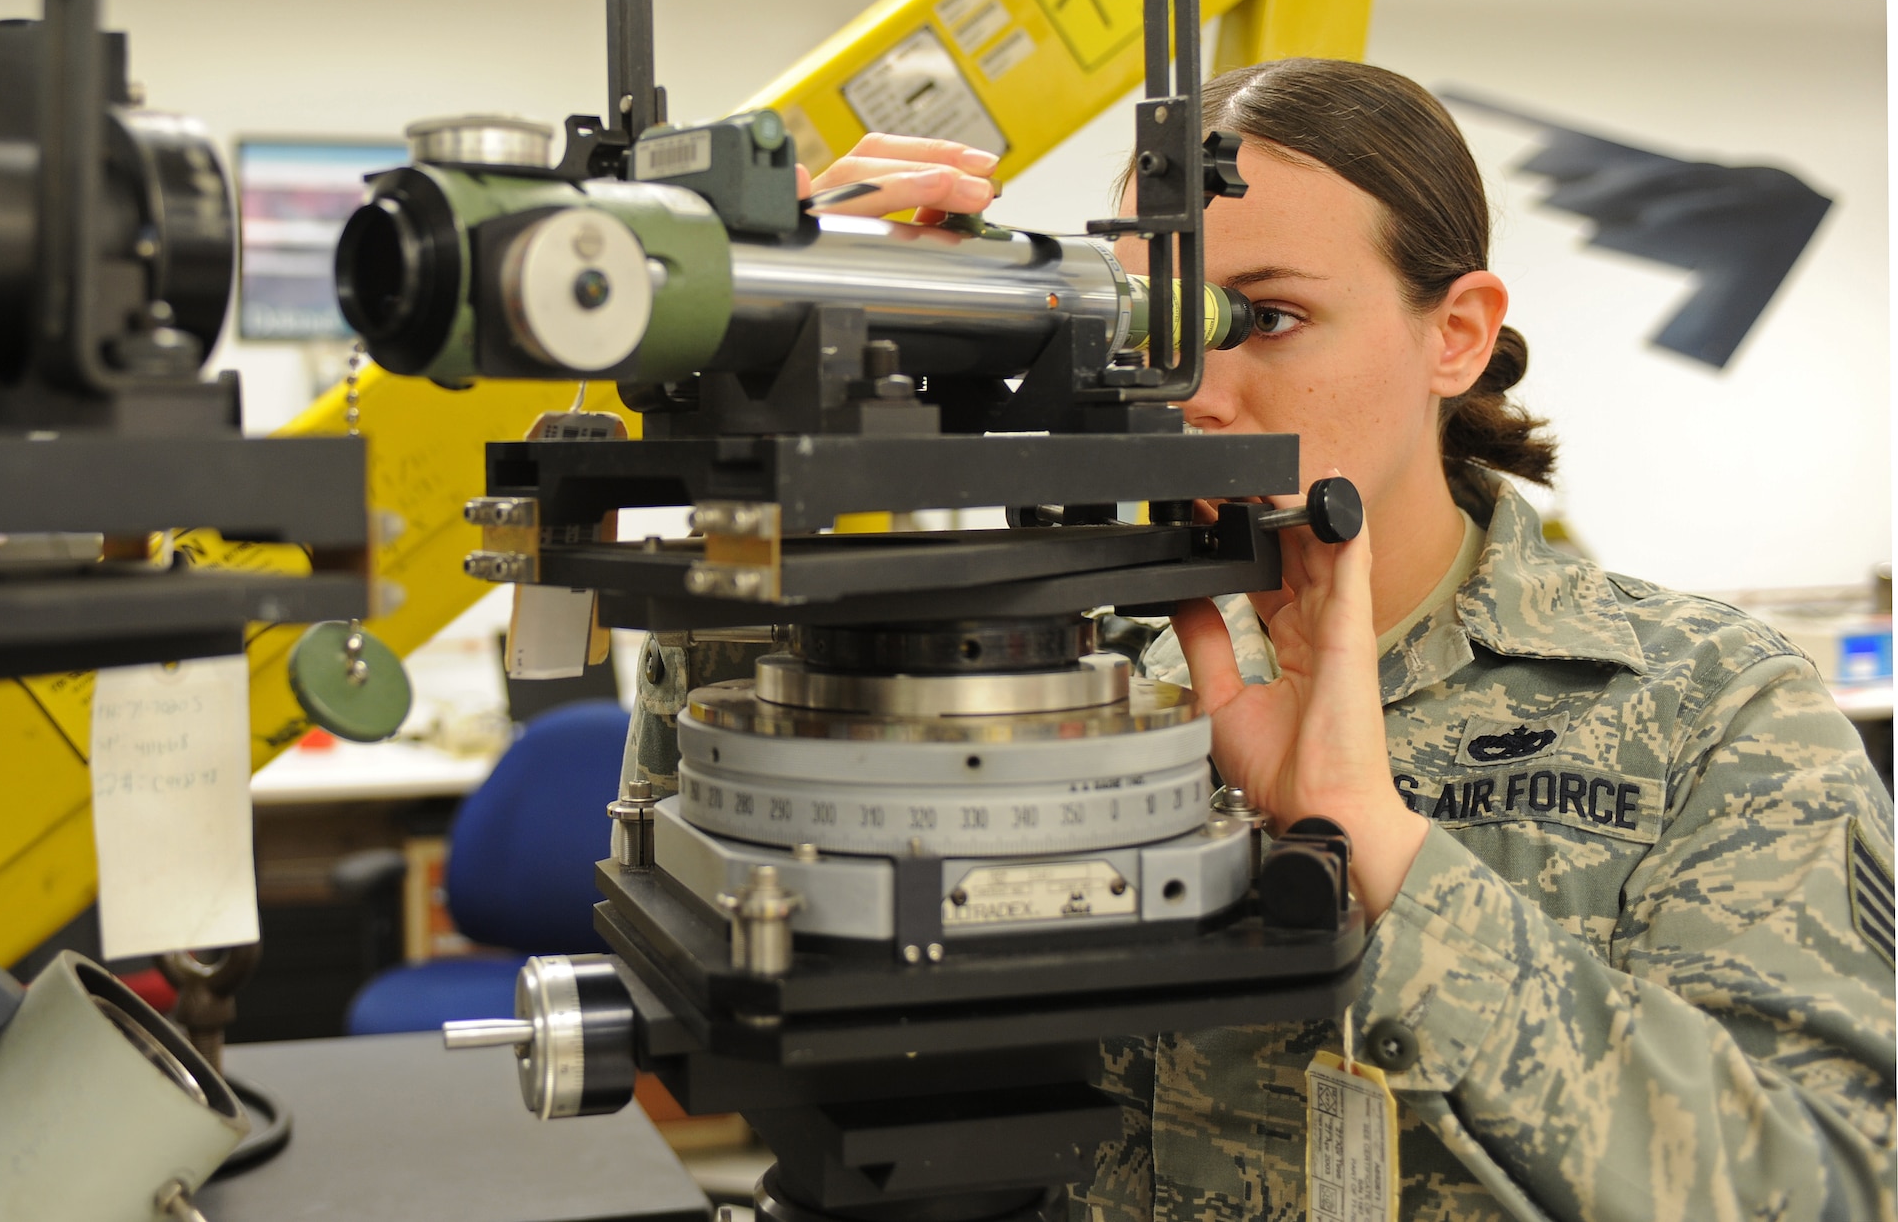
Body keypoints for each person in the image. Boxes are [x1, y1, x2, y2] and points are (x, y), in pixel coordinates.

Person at [790, 60, 1897, 1220]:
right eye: (1150, 334)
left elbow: (1823, 1182)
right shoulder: (1069, 664)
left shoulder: (1708, 709)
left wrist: (1382, 845)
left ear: (1455, 335)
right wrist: (789, 396)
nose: (1198, 398)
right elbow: (736, 904)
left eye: (1264, 319)